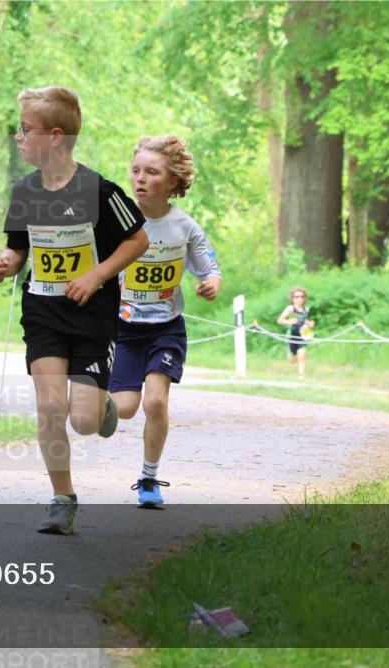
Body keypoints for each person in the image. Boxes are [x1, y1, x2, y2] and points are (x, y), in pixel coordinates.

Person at [0, 86, 149, 534]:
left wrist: (97, 275)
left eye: (26, 129)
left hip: (92, 316)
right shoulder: (25, 192)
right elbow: (18, 249)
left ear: (55, 136)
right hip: (43, 312)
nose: (19, 137)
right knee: (50, 406)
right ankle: (62, 499)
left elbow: (138, 240)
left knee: (83, 419)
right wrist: (5, 264)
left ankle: (102, 407)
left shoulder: (99, 190)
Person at [109, 135, 222, 508]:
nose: (140, 179)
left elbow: (210, 268)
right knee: (124, 408)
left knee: (155, 402)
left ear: (173, 181)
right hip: (124, 328)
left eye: (151, 172)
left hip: (166, 328)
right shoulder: (116, 221)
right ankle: (89, 395)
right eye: (135, 170)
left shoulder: (184, 227)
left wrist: (211, 284)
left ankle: (149, 478)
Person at [276, 287, 314, 379]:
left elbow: (306, 321)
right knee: (293, 360)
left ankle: (301, 376)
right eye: (297, 296)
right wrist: (289, 321)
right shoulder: (290, 308)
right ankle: (292, 356)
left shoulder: (306, 309)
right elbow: (280, 320)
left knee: (302, 356)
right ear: (292, 298)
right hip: (292, 335)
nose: (299, 298)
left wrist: (310, 324)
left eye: (301, 296)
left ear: (304, 298)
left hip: (303, 334)